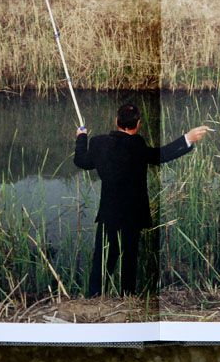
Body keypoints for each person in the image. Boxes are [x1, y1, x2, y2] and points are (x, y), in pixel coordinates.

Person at [74, 103, 209, 297]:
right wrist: (188, 138)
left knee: (102, 258)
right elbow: (162, 155)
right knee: (129, 257)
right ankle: (128, 296)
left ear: (116, 121)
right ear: (137, 124)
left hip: (109, 212)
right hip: (133, 214)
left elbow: (82, 161)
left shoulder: (98, 143)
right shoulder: (138, 146)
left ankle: (94, 296)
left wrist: (81, 137)